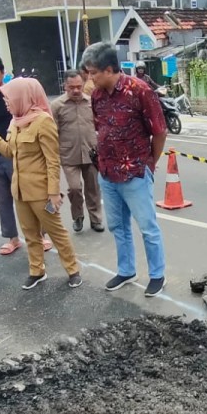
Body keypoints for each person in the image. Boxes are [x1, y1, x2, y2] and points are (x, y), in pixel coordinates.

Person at [81, 42, 168, 297]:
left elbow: (159, 131)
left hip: (135, 173)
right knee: (117, 226)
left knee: (147, 227)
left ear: (109, 69)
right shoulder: (97, 96)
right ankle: (126, 270)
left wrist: (149, 164)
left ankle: (157, 275)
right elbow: (100, 128)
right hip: (107, 172)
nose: (90, 78)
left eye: (93, 72)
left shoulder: (140, 90)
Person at [0, 78, 81, 290]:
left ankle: (73, 270)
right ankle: (37, 271)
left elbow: (52, 160)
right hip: (20, 191)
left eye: (8, 98)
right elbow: (9, 152)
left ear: (22, 97)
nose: (6, 103)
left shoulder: (43, 121)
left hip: (41, 191)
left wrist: (53, 192)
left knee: (56, 232)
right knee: (30, 234)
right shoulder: (15, 122)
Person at [0, 53, 51, 256]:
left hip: (18, 155)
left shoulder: (13, 93)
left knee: (29, 197)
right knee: (2, 199)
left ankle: (40, 235)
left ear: (2, 72)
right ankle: (12, 238)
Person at [50, 70, 103, 233]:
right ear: (65, 86)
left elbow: (100, 125)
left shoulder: (91, 102)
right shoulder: (57, 106)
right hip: (68, 154)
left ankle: (96, 219)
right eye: (71, 87)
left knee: (93, 188)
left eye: (79, 86)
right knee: (74, 188)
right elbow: (52, 132)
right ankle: (78, 216)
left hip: (91, 152)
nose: (76, 90)